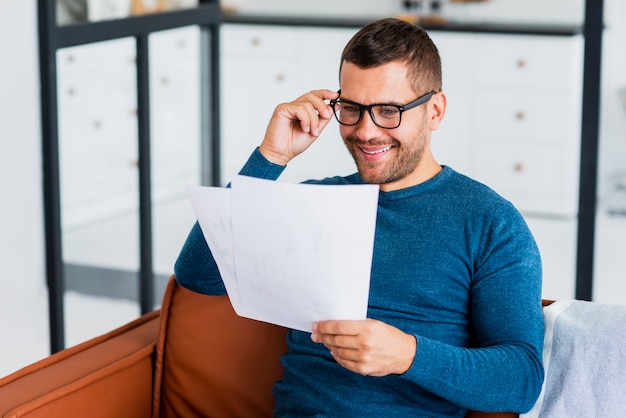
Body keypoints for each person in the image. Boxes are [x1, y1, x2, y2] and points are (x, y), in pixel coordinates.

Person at [174, 17, 544, 417]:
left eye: (388, 110)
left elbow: (521, 380)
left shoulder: (491, 222)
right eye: (351, 108)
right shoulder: (313, 201)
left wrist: (407, 355)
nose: (366, 131)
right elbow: (198, 275)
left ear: (434, 111)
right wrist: (271, 157)